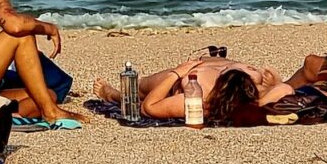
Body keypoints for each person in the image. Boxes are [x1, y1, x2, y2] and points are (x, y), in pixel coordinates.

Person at [96, 54, 287, 123]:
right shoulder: (254, 91)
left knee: (136, 90)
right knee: (137, 87)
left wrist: (176, 74)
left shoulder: (198, 97)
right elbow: (285, 90)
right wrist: (275, 85)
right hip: (205, 64)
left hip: (180, 79)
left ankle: (113, 95)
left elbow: (149, 107)